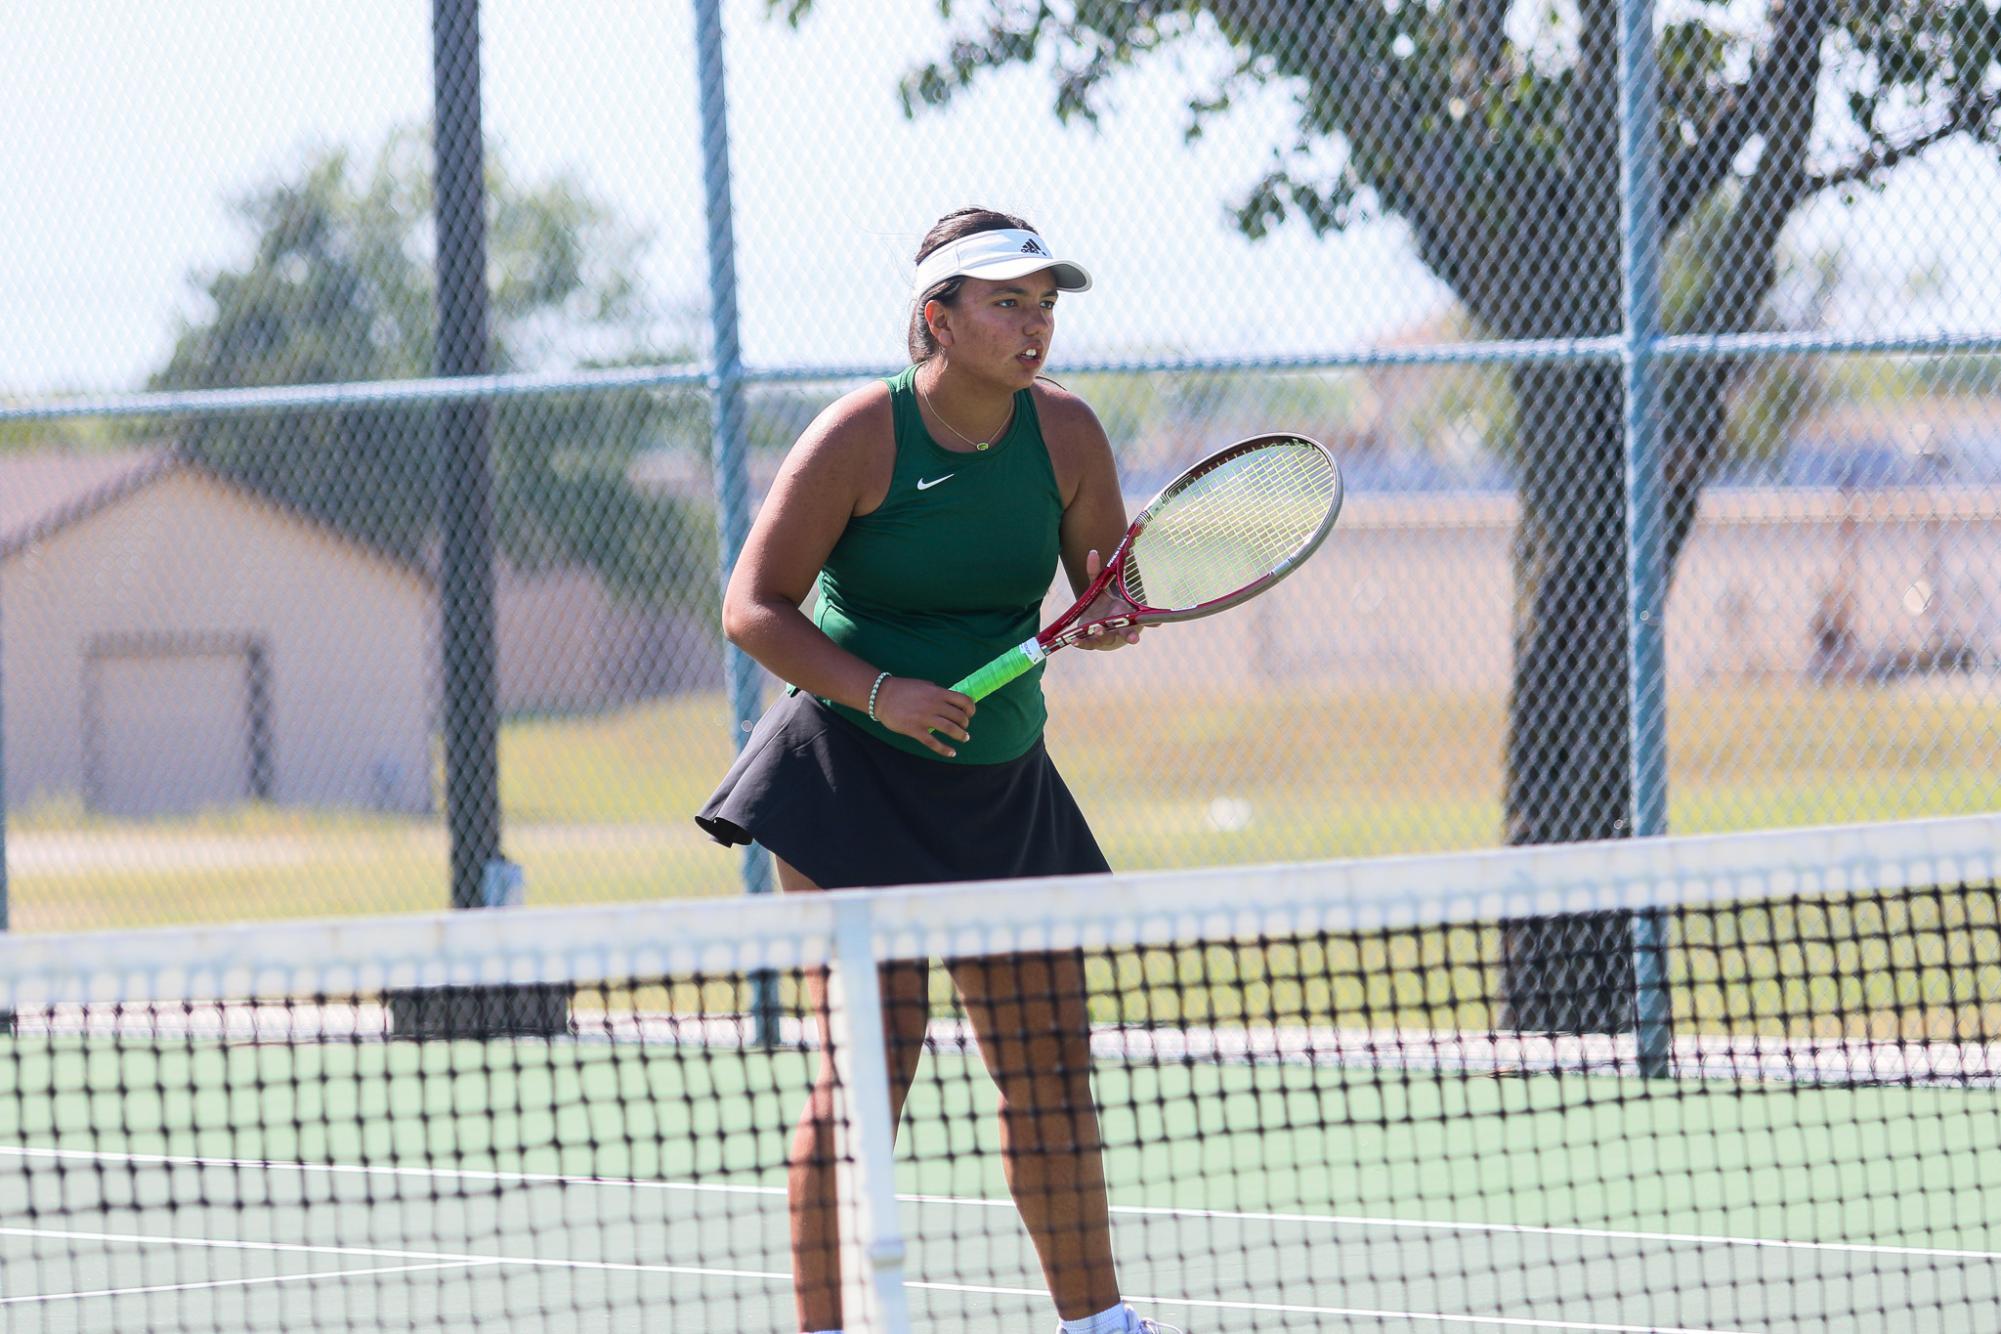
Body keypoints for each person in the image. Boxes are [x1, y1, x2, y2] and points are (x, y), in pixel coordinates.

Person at [696, 208, 1182, 1334]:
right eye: (1007, 301)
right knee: (872, 1071)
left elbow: (1105, 590)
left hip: (1001, 786)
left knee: (1052, 1068)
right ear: (939, 318)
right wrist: (881, 692)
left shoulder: (1067, 437)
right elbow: (750, 608)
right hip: (847, 779)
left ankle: (1099, 1323)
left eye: (1046, 303)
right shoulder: (861, 435)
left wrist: (1112, 618)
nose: (1035, 323)